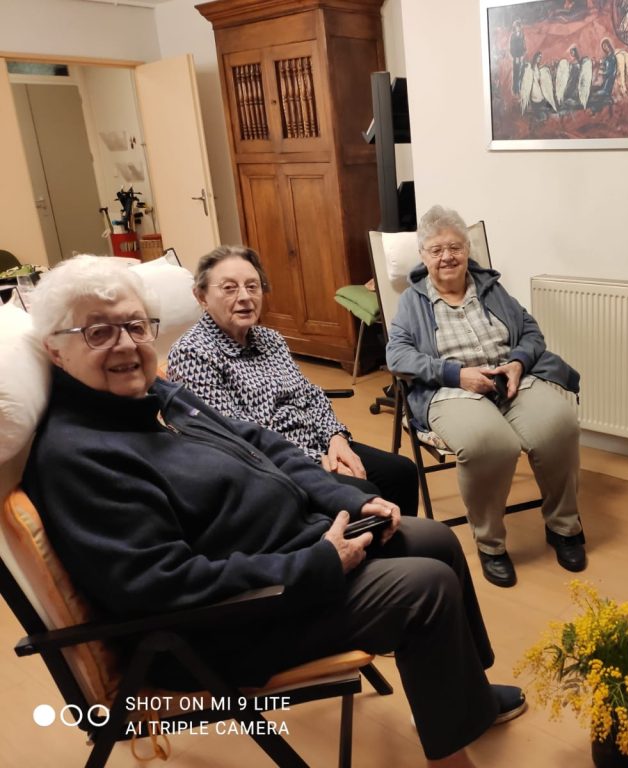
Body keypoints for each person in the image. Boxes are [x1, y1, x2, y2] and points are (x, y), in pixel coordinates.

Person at [22, 255, 524, 767]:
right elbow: (161, 586)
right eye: (98, 332)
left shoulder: (157, 395)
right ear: (55, 351)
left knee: (434, 539)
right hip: (228, 621)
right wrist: (317, 564)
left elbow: (259, 441)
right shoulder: (77, 457)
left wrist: (346, 496)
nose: (127, 345)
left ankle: (467, 698)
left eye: (134, 326)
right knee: (424, 588)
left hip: (290, 549)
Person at [386, 205, 586, 589]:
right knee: (490, 445)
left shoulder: (491, 288)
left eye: (455, 247)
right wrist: (456, 373)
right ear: (423, 256)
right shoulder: (413, 302)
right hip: (452, 388)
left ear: (467, 250)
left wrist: (517, 362)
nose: (447, 256)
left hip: (509, 379)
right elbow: (398, 357)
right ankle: (491, 544)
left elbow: (531, 333)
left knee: (559, 425)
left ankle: (563, 527)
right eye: (436, 249)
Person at [166, 245, 419, 518]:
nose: (245, 297)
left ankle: (403, 547)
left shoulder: (270, 339)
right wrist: (314, 462)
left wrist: (336, 439)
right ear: (201, 296)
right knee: (363, 491)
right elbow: (236, 438)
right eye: (229, 288)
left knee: (401, 472)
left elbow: (310, 395)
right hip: (268, 468)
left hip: (317, 443)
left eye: (253, 286)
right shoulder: (192, 353)